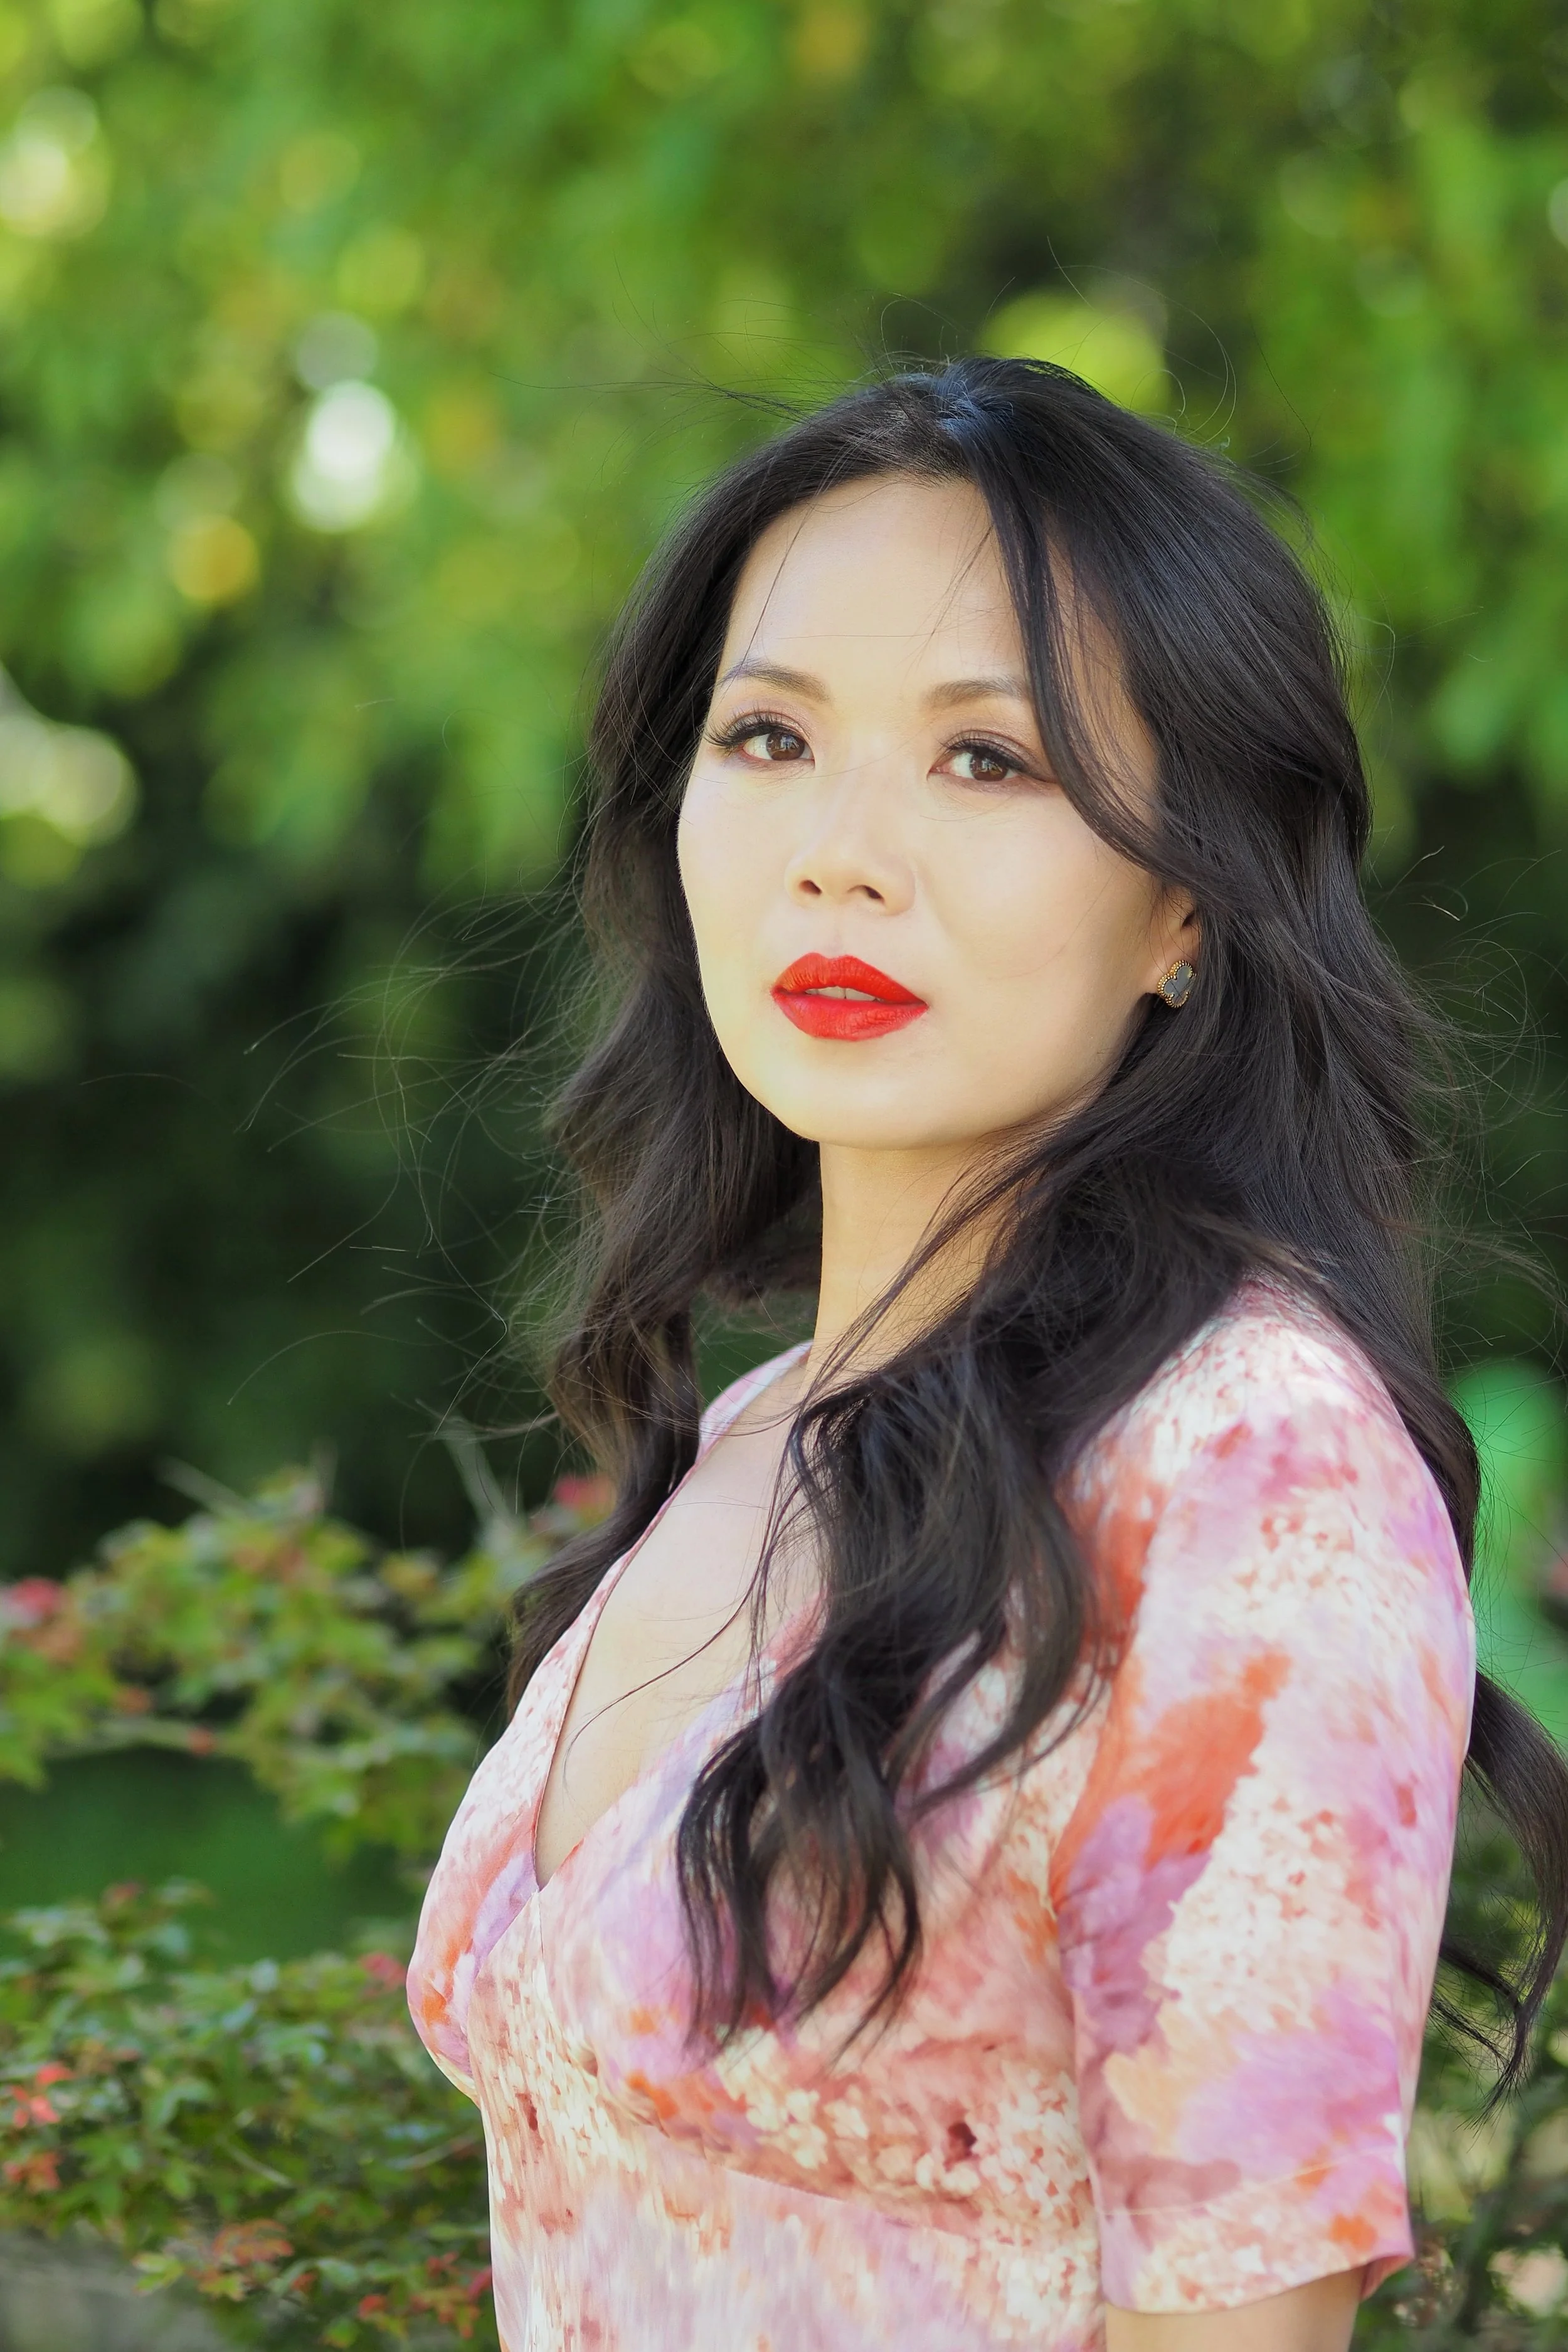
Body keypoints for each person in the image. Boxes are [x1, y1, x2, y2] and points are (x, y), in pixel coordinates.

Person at [406, 359, 1568, 2351]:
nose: (839, 852)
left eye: (987, 762)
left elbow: (1235, 2323)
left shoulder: (1245, 1465)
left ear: (1183, 904)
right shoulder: (754, 1438)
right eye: (766, 735)